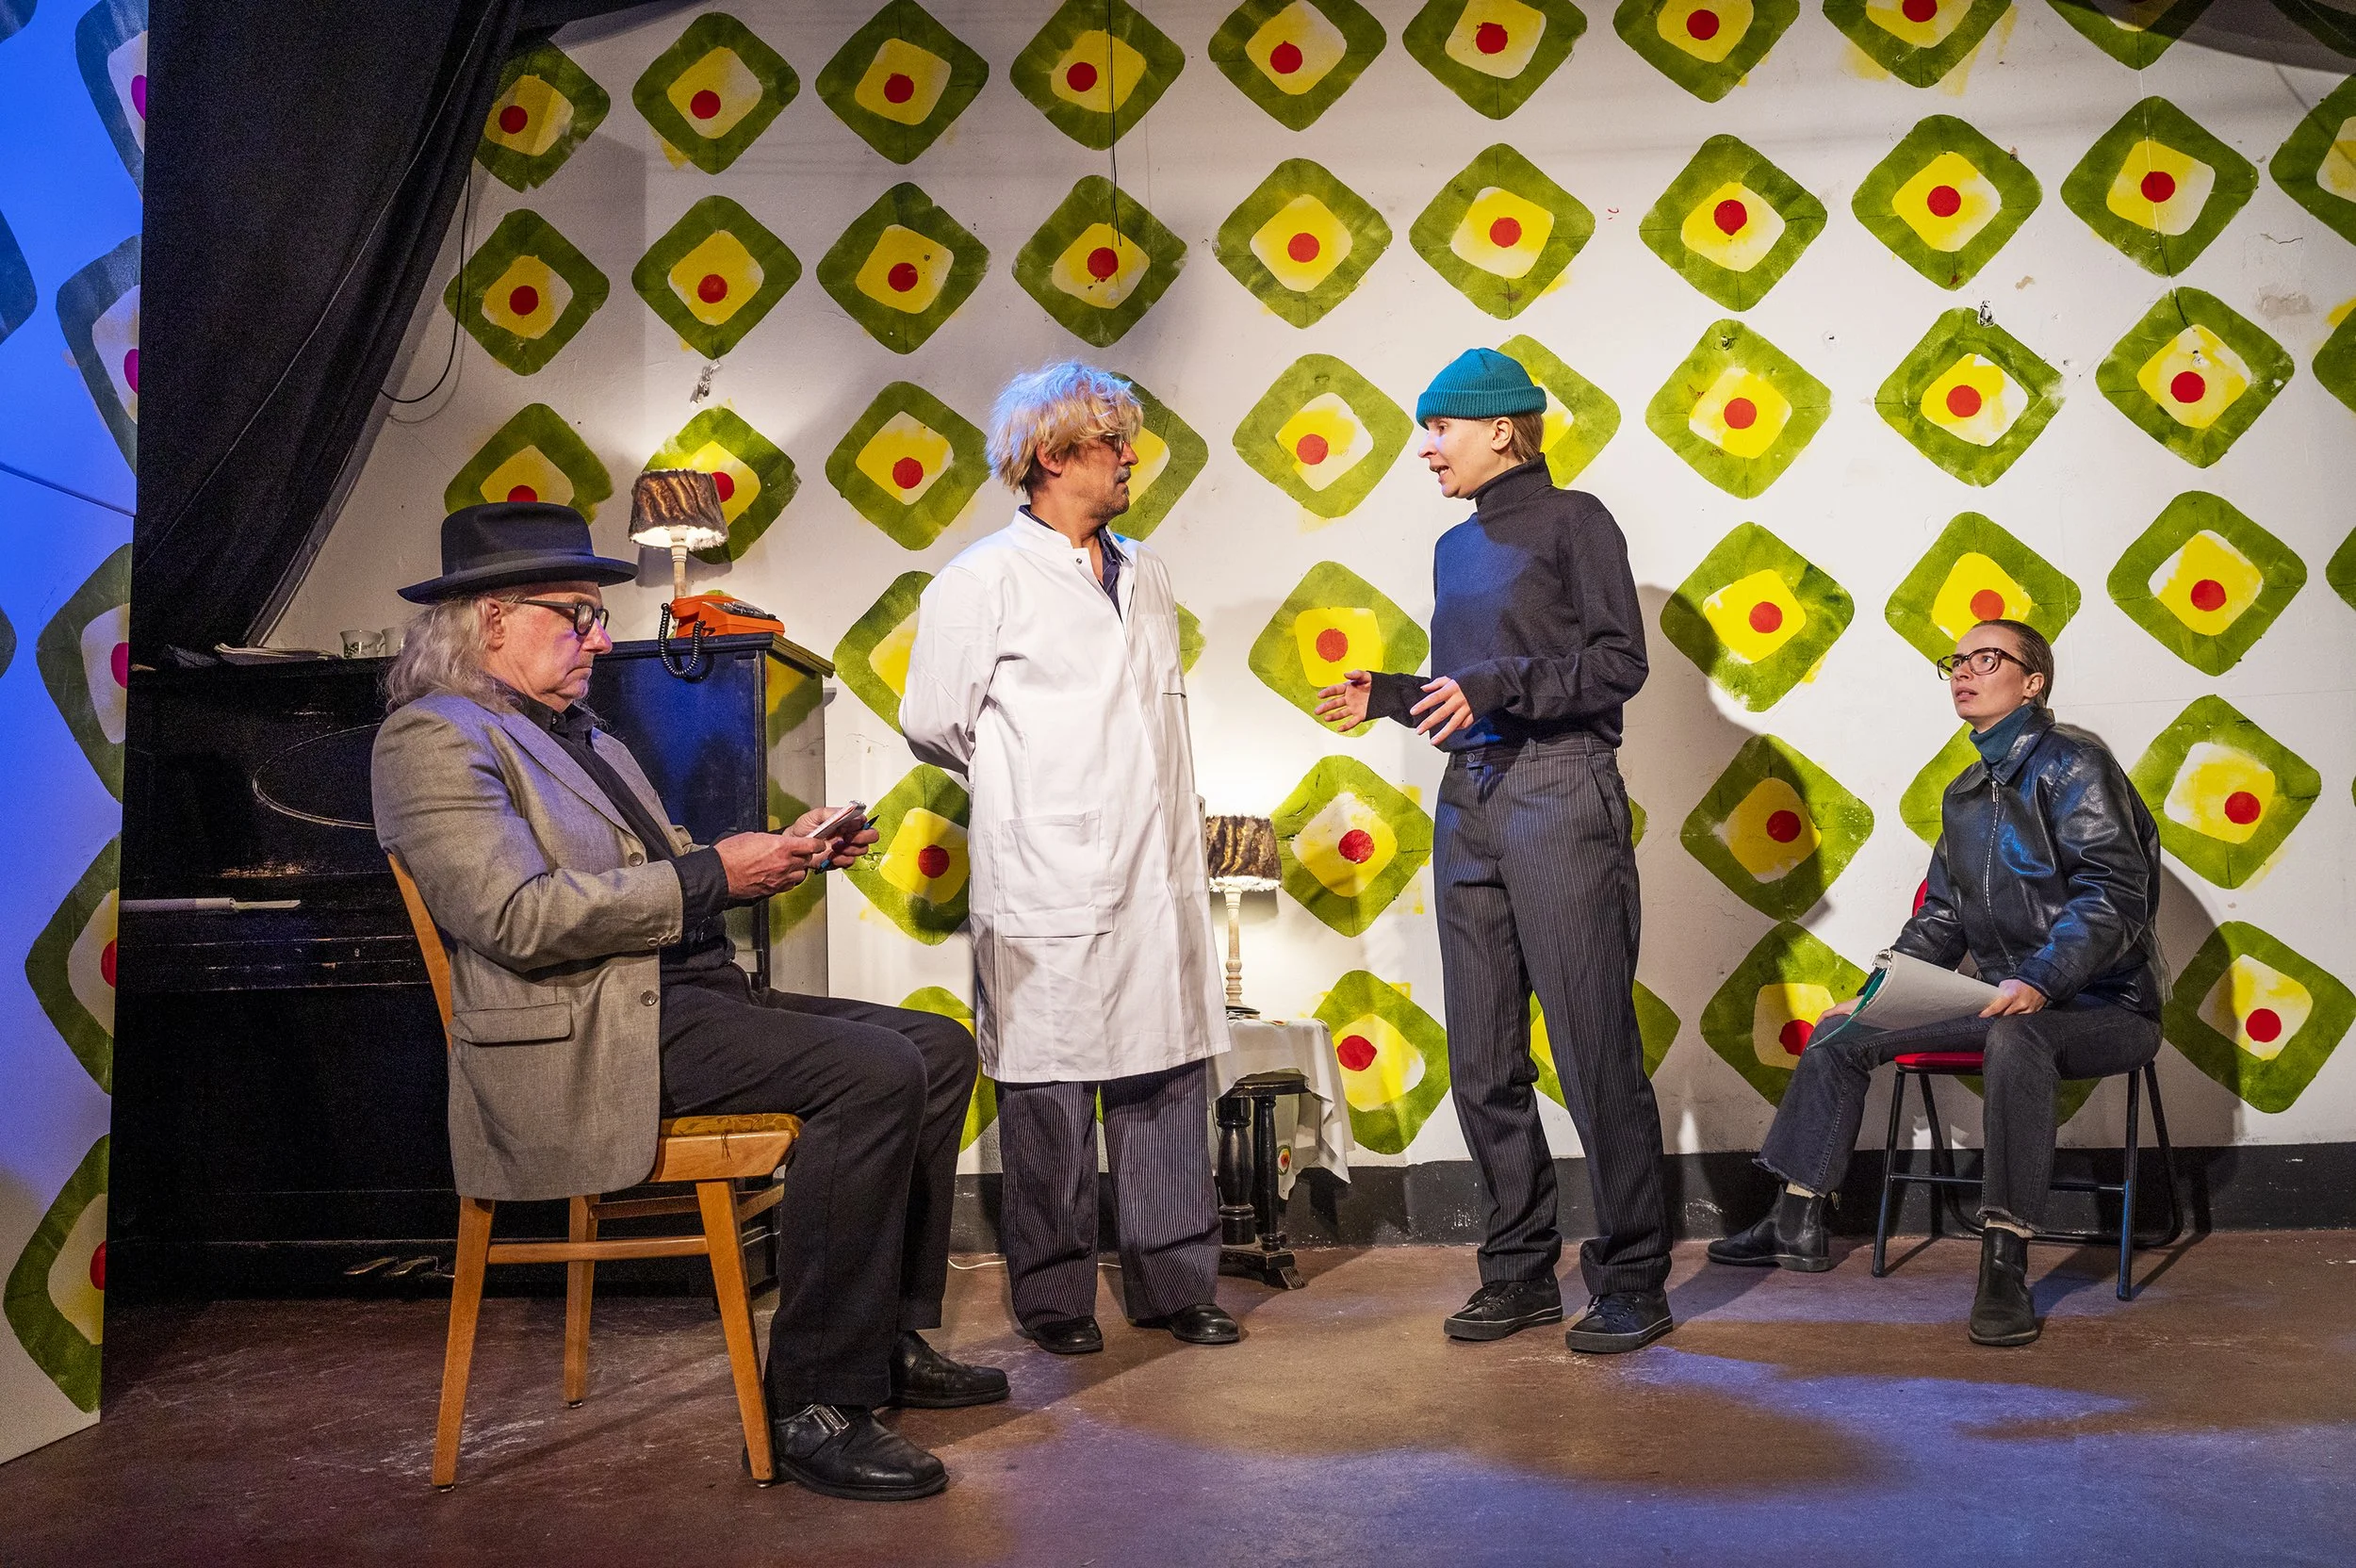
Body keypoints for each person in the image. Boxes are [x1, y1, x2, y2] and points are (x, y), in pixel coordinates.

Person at [371, 500, 1001, 1504]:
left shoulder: (585, 734)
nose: (598, 638)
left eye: (596, 616)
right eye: (575, 615)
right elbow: (515, 916)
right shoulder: (432, 738)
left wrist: (783, 855)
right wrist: (714, 872)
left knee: (937, 1046)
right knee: (874, 1071)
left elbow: (662, 873)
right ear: (491, 620)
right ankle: (814, 1402)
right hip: (592, 1033)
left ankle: (883, 1338)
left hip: (680, 997)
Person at [1314, 349, 1673, 1354]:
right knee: (1481, 1056)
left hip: (1560, 788)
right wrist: (1394, 694)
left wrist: (1501, 682)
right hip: (1467, 796)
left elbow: (1619, 663)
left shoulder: (1577, 521)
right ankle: (1516, 1271)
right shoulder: (1453, 546)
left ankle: (1632, 1277)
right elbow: (1467, 686)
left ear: (1502, 429)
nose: (1426, 449)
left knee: (1593, 1048)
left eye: (1440, 428)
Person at [1707, 618, 2166, 1348]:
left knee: (2018, 1039)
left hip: (2106, 1005)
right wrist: (1877, 993)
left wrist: (2042, 978)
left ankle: (2004, 1260)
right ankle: (1795, 1219)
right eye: (1958, 660)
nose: (1965, 671)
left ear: (2033, 683)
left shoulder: (2076, 765)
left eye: (1988, 658)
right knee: (1842, 1030)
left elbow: (2113, 895)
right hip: (2008, 1000)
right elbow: (1943, 917)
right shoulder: (1965, 794)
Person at [901, 362, 1237, 1356]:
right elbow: (933, 721)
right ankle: (1053, 1294)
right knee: (1047, 1088)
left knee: (1164, 1074)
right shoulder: (981, 581)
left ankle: (1176, 1282)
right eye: (1110, 442)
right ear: (1050, 456)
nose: (1131, 457)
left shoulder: (1147, 572)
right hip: (1046, 870)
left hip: (1154, 866)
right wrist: (1038, 785)